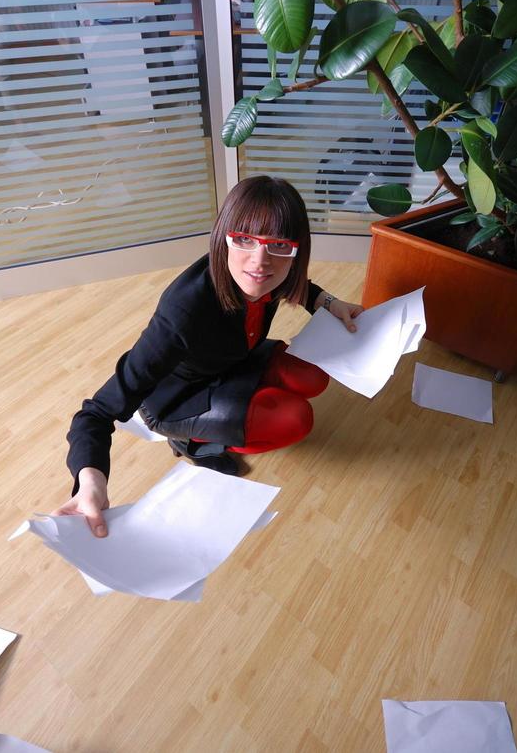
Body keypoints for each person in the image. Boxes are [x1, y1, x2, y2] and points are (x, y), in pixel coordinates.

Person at [54, 175, 363, 538]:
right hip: (180, 397)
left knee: (314, 377)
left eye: (279, 245)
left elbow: (294, 284)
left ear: (295, 251)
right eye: (244, 240)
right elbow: (96, 412)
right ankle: (193, 442)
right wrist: (91, 481)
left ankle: (238, 407)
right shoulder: (183, 312)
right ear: (223, 238)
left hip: (232, 359)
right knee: (296, 419)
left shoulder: (268, 271)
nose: (260, 260)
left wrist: (330, 303)